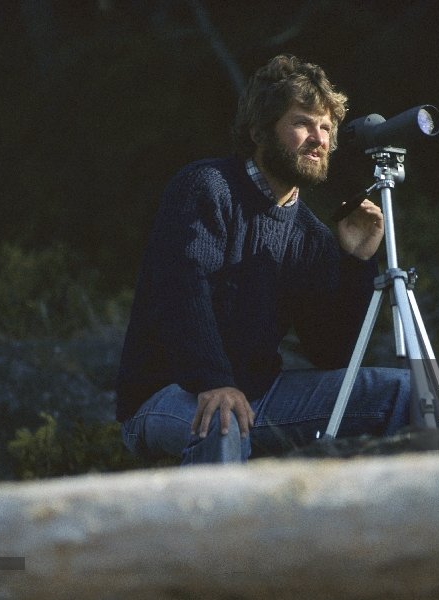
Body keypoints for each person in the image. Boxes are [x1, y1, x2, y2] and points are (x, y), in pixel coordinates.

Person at [115, 55, 410, 464]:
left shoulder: (311, 236)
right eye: (302, 123)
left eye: (326, 127)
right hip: (170, 394)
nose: (319, 138)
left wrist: (356, 261)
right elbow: (183, 289)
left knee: (410, 394)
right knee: (223, 419)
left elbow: (332, 354)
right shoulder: (206, 187)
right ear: (258, 131)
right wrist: (214, 381)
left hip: (263, 396)